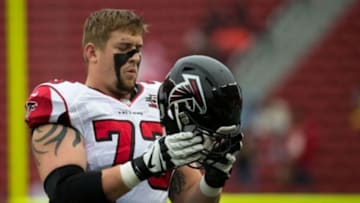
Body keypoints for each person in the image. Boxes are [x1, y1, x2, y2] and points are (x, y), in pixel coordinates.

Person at [25, 9, 243, 203]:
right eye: (124, 48)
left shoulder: (160, 100)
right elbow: (64, 193)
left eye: (138, 48)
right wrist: (142, 167)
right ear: (92, 52)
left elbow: (186, 195)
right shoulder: (67, 101)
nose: (135, 57)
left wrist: (214, 180)